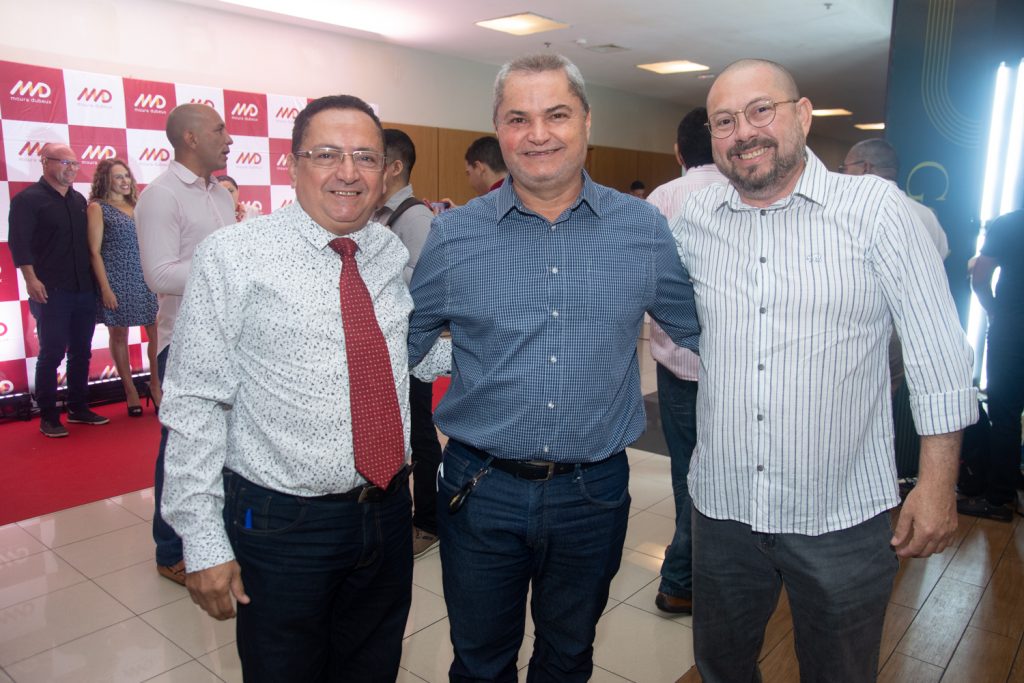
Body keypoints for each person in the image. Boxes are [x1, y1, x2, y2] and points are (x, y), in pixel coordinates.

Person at [672, 58, 977, 682]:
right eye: (724, 121)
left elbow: (937, 348)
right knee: (721, 668)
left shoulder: (875, 210)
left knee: (840, 672)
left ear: (802, 116)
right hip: (723, 510)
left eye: (762, 111)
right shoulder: (694, 221)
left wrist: (937, 481)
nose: (743, 132)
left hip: (840, 513)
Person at [407, 53, 700, 682]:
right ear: (498, 127)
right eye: (519, 118)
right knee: (480, 665)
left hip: (591, 493)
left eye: (556, 114)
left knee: (568, 659)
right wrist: (470, 362)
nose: (538, 133)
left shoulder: (642, 229)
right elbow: (412, 334)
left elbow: (701, 330)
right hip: (479, 488)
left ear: (587, 122)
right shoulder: (453, 235)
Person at [161, 94, 449, 682]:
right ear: (292, 166)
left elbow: (397, 355)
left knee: (373, 668)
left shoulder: (387, 251)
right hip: (283, 525)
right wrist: (203, 540)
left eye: (365, 157)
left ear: (385, 171)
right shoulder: (235, 256)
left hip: (387, 513)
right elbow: (193, 400)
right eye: (326, 155)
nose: (348, 172)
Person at [136, 104, 235, 586]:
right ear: (191, 138)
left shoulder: (218, 192)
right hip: (186, 340)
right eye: (220, 129)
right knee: (181, 442)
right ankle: (170, 547)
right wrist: (230, 269)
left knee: (227, 441)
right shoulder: (161, 196)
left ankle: (216, 535)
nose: (230, 138)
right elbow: (158, 274)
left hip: (229, 336)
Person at [644, 106, 726, 615]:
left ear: (678, 154)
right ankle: (724, 577)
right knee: (735, 470)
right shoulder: (745, 191)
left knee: (687, 472)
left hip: (679, 368)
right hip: (741, 367)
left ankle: (682, 578)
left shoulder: (660, 200)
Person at [374, 128, 444, 557]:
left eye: (371, 159)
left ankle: (429, 520)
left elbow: (424, 290)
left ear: (395, 167)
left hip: (411, 348)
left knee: (420, 434)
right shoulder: (380, 214)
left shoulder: (415, 217)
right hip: (390, 348)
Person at [9, 143, 110, 437]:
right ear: (45, 162)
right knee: (51, 353)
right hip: (50, 290)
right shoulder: (28, 200)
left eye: (75, 164)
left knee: (81, 351)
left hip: (83, 289)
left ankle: (78, 408)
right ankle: (49, 416)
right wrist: (30, 279)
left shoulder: (79, 200)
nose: (71, 168)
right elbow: (19, 243)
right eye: (64, 162)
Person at [86, 158, 160, 417]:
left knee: (157, 333)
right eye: (118, 177)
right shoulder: (98, 208)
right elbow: (94, 252)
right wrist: (105, 289)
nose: (125, 181)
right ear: (105, 180)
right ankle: (129, 390)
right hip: (116, 278)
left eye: (126, 176)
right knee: (119, 335)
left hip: (145, 276)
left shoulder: (138, 205)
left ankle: (155, 384)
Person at [965, 207, 1024, 522]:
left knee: (1005, 415)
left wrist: (995, 312)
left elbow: (980, 276)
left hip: (1013, 330)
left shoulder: (1011, 223)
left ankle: (999, 498)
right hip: (1011, 327)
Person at [841, 138, 949, 259]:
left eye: (844, 168)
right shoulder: (927, 216)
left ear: (865, 168)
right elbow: (941, 255)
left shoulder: (854, 214)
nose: (843, 176)